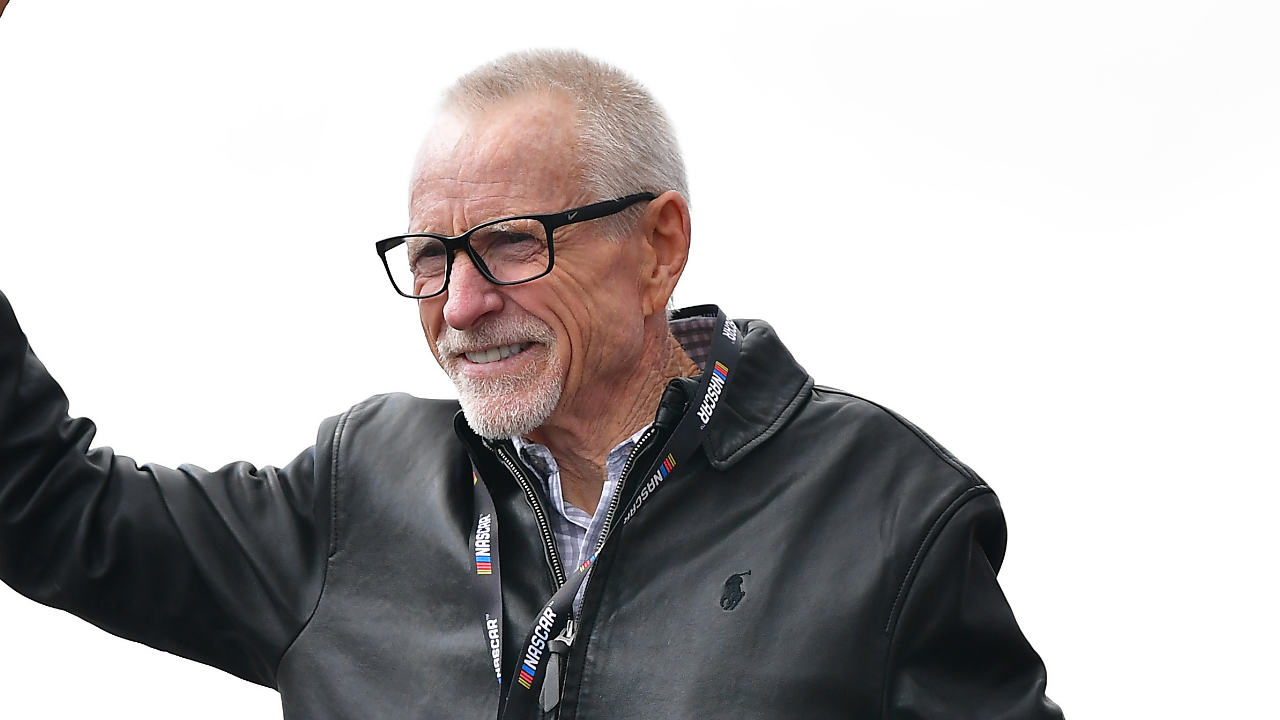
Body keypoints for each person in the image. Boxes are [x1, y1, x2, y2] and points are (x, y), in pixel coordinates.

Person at [0, 50, 1063, 719]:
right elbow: (42, 508)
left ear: (658, 247)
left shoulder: (886, 513)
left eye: (511, 244)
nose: (460, 305)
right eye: (428, 256)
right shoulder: (354, 492)